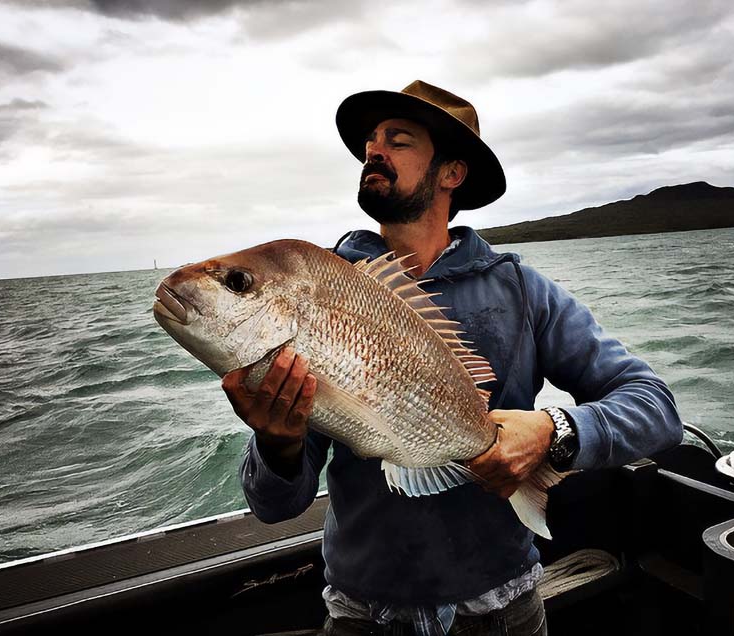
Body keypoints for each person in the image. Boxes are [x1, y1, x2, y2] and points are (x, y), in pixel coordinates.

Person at [224, 80, 683, 636]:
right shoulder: (317, 294)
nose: (374, 150)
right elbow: (276, 506)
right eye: (371, 140)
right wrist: (277, 443)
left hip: (503, 606)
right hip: (362, 611)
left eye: (399, 140)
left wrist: (552, 430)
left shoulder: (522, 289)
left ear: (451, 173)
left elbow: (656, 408)